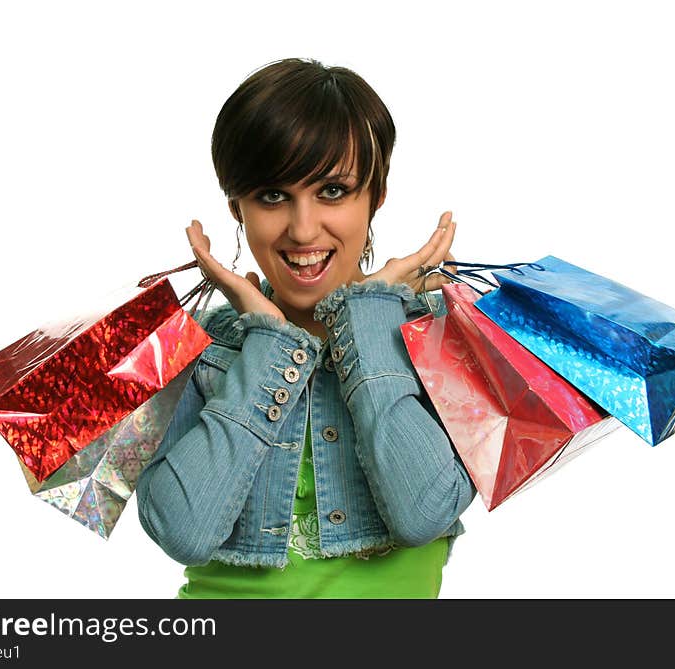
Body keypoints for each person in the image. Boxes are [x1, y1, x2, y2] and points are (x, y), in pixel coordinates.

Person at [136, 58, 477, 598]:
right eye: (272, 195)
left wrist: (369, 317)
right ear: (236, 206)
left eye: (333, 191)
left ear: (375, 195)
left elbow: (423, 515)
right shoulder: (192, 348)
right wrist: (266, 343)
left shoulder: (442, 342)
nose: (302, 228)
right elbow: (183, 533)